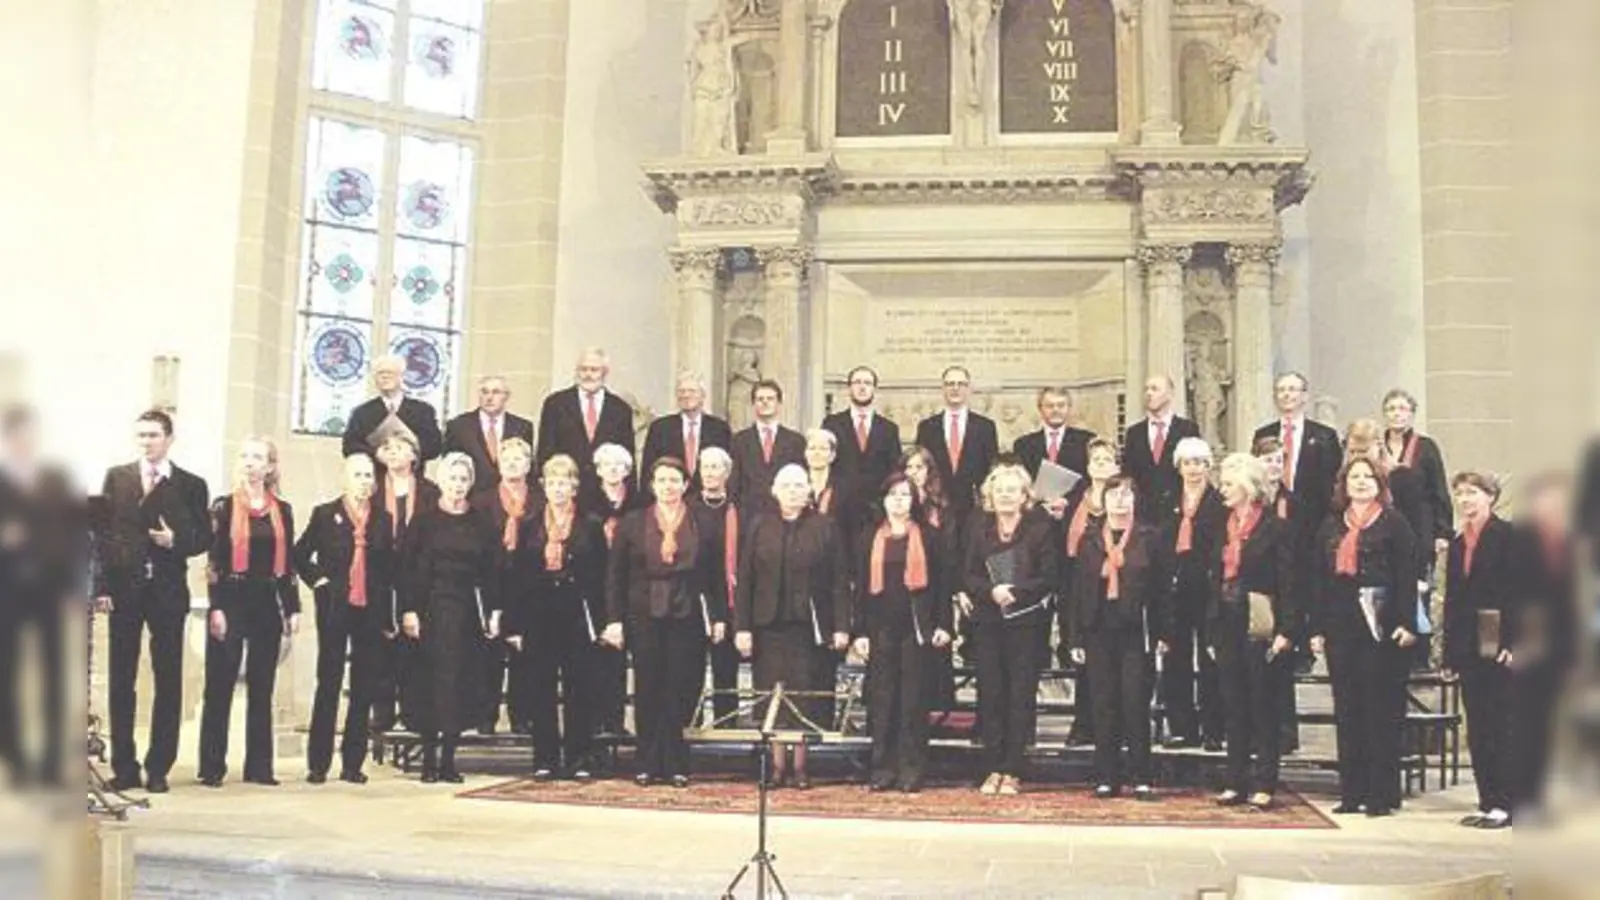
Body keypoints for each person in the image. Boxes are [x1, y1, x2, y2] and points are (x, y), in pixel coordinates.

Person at [95, 410, 211, 794]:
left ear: (169, 438)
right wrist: (102, 587)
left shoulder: (192, 484)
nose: (147, 441)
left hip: (166, 591)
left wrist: (175, 540)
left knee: (168, 678)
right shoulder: (118, 477)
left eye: (154, 435)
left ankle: (159, 764)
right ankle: (124, 766)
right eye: (141, 435)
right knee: (121, 679)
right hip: (125, 591)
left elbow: (202, 539)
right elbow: (103, 536)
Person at [603, 458, 725, 788]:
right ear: (652, 485)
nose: (668, 486)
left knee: (680, 687)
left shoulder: (704, 520)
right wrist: (614, 620)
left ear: (686, 485)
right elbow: (615, 576)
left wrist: (718, 618)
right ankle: (645, 762)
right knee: (648, 688)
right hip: (643, 613)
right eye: (662, 480)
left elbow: (715, 575)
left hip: (687, 612)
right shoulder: (632, 522)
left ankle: (676, 763)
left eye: (675, 480)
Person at [1308, 457, 1418, 817]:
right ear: (1343, 484)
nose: (1360, 482)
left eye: (1367, 477)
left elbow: (1407, 575)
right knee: (1348, 710)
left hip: (1382, 627)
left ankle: (1381, 794)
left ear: (1379, 484)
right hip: (1341, 626)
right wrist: (1317, 628)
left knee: (1379, 709)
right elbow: (1320, 582)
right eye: (1354, 477)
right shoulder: (1329, 526)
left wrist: (1406, 622)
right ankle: (1352, 792)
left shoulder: (1394, 523)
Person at [734, 464, 850, 789]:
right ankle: (775, 765)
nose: (793, 491)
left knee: (801, 697)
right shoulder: (760, 526)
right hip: (767, 626)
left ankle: (800, 766)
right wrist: (741, 627)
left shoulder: (825, 527)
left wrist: (841, 626)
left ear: (809, 491)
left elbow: (839, 581)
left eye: (800, 485)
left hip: (808, 628)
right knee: (772, 695)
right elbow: (746, 580)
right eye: (787, 486)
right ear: (775, 490)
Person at [199, 437, 300, 788]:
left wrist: (293, 607)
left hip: (266, 599)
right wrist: (216, 607)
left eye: (257, 457)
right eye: (244, 456)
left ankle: (259, 767)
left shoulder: (282, 510)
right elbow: (213, 562)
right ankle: (212, 766)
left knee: (262, 686)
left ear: (270, 466)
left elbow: (288, 565)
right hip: (231, 596)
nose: (249, 463)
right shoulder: (223, 507)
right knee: (220, 684)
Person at [399, 452, 502, 783]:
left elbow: (493, 570)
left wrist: (494, 612)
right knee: (431, 683)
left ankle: (449, 760)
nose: (457, 485)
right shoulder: (424, 521)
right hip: (430, 610)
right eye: (452, 479)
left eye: (463, 479)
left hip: (468, 613)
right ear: (440, 481)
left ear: (470, 483)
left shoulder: (482, 522)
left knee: (458, 684)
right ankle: (429, 758)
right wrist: (410, 610)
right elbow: (407, 570)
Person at [1068, 475, 1171, 800]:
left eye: (1127, 495)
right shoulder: (1089, 540)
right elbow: (1075, 591)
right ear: (1104, 500)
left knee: (1135, 703)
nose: (1120, 501)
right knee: (1103, 704)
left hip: (1135, 630)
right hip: (1098, 628)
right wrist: (1074, 638)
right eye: (1114, 495)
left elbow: (1162, 590)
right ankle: (1106, 775)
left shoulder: (1149, 537)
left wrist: (1163, 633)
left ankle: (1141, 775)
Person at [507, 454, 607, 780]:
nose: (558, 488)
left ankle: (579, 758)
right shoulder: (529, 523)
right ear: (544, 487)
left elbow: (601, 575)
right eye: (552, 482)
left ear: (575, 486)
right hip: (539, 609)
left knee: (581, 686)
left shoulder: (590, 524)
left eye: (564, 482)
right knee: (541, 686)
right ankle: (545, 759)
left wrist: (601, 620)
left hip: (577, 610)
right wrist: (516, 624)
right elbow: (519, 576)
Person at [293, 453, 391, 785]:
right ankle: (318, 763)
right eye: (359, 475)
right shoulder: (326, 514)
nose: (365, 481)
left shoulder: (383, 519)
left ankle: (353, 763)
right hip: (336, 607)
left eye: (369, 476)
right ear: (346, 479)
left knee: (364, 685)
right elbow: (299, 554)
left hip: (370, 609)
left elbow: (391, 568)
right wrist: (319, 581)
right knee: (330, 681)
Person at [0, 406, 83, 787]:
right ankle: (17, 761)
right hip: (9, 589)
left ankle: (52, 763)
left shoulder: (55, 479)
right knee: (7, 676)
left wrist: (74, 587)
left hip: (51, 587)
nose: (23, 441)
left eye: (29, 434)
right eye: (17, 434)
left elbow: (75, 534)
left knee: (55, 676)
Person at [854, 473, 952, 793]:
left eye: (905, 495)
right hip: (880, 627)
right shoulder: (869, 536)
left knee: (912, 701)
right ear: (883, 500)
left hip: (917, 628)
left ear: (915, 501)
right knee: (883, 701)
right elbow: (860, 591)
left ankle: (912, 769)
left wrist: (943, 625)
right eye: (893, 495)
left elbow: (942, 586)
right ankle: (883, 769)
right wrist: (860, 632)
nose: (899, 501)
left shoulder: (930, 536)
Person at [1208, 453, 1296, 809]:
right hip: (1227, 617)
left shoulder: (1275, 526)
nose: (1223, 490)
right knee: (1234, 704)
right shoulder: (1221, 524)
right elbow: (1211, 576)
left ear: (1247, 486)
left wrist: (1287, 629)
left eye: (1228, 484)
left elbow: (1289, 581)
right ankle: (1235, 780)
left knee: (1263, 704)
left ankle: (1265, 781)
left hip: (1261, 617)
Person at [963, 462, 1057, 796]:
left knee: (1020, 696)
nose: (1005, 495)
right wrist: (991, 592)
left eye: (1011, 490)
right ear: (990, 495)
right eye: (999, 490)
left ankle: (1014, 770)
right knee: (991, 695)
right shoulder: (978, 529)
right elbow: (969, 574)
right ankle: (992, 767)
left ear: (1023, 496)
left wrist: (1015, 592)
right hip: (988, 622)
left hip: (1026, 623)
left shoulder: (1039, 529)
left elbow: (1049, 576)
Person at [1440, 471, 1515, 829]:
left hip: (1503, 644)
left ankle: (1508, 801)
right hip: (1472, 645)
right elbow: (1454, 602)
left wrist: (1516, 641)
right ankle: (1489, 801)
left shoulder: (1509, 537)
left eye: (1473, 493)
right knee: (1479, 726)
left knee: (1503, 723)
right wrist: (1450, 654)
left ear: (1491, 497)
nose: (1465, 499)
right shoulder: (1457, 543)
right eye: (1460, 493)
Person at [1509, 472, 1578, 823]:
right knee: (1523, 726)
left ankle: (1540, 798)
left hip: (1558, 651)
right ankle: (1521, 798)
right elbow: (1511, 597)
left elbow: (1571, 603)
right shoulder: (1519, 541)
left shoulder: (1568, 542)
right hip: (1524, 649)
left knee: (1549, 729)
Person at [369, 433, 440, 733]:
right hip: (381, 575)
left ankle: (413, 712)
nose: (393, 453)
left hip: (418, 574)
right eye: (388, 449)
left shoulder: (430, 491)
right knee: (382, 646)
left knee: (415, 646)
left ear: (415, 455)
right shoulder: (371, 489)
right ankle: (382, 713)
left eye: (401, 448)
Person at [469, 438, 537, 735]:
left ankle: (521, 715)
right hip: (491, 580)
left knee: (524, 650)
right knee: (489, 651)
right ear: (498, 463)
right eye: (507, 459)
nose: (513, 464)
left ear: (528, 465)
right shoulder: (482, 500)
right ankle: (486, 715)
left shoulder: (540, 498)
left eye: (519, 459)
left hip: (527, 583)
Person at [1163, 437, 1228, 750]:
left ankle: (1214, 728)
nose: (1193, 469)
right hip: (1175, 589)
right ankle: (1181, 727)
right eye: (1187, 463)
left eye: (1199, 462)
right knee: (1176, 659)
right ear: (1179, 467)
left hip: (1207, 588)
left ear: (1208, 466)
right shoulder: (1167, 500)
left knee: (1209, 658)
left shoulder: (1219, 503)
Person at [1380, 389, 1453, 665]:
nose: (1397, 414)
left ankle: (1418, 654)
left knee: (1418, 586)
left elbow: (1439, 491)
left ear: (1412, 414)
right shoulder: (1378, 445)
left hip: (1419, 526)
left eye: (1402, 409)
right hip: (1385, 525)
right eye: (1391, 409)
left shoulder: (1426, 446)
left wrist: (1442, 531)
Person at [1060, 437, 1121, 745]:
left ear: (1116, 466)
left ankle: (1110, 726)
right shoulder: (1074, 498)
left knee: (1108, 658)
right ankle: (1083, 721)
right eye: (1095, 459)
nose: (1100, 464)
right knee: (1081, 653)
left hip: (1112, 584)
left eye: (1106, 459)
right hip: (1076, 582)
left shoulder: (1123, 498)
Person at [584, 441, 643, 735]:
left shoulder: (639, 502)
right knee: (598, 657)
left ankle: (615, 721)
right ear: (598, 470)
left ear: (628, 470)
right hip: (594, 583)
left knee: (621, 657)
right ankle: (595, 723)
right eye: (607, 465)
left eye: (619, 466)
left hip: (629, 584)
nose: (613, 471)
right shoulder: (586, 502)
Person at [899, 446, 959, 712]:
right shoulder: (896, 502)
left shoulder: (941, 507)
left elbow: (950, 550)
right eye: (908, 467)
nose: (914, 473)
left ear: (929, 471)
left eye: (919, 467)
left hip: (935, 589)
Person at [536, 347, 636, 497]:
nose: (588, 375)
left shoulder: (620, 409)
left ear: (605, 372)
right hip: (566, 492)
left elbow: (627, 457)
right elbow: (545, 451)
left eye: (594, 370)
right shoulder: (555, 404)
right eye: (583, 369)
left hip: (605, 495)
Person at [691, 446, 743, 727]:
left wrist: (723, 614)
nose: (710, 473)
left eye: (715, 467)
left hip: (732, 600)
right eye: (705, 467)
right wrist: (712, 613)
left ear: (727, 472)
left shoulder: (739, 510)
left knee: (726, 673)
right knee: (691, 672)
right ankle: (690, 731)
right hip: (695, 601)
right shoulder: (688, 509)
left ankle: (727, 731)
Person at [822, 365, 903, 541]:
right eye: (857, 382)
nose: (862, 386)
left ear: (874, 388)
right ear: (849, 388)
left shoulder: (889, 429)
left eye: (867, 382)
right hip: (840, 509)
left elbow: (895, 470)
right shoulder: (832, 424)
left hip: (876, 510)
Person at [915, 366, 999, 521]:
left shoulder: (985, 427)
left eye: (961, 384)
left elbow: (992, 469)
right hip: (936, 508)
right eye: (950, 384)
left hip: (974, 509)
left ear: (969, 389)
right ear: (943, 388)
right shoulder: (927, 427)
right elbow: (920, 467)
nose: (955, 388)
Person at [341, 353, 443, 476]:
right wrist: (376, 453)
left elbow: (435, 446)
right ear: (374, 379)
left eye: (390, 373)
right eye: (380, 373)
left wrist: (410, 453)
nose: (385, 377)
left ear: (401, 376)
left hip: (413, 481)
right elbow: (349, 446)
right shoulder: (362, 412)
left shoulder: (423, 411)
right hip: (375, 481)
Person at [1122, 375, 1201, 526]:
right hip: (1142, 518)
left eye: (1155, 389)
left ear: (1170, 394)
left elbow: (1195, 472)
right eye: (1146, 389)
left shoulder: (1187, 429)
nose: (1148, 393)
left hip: (1178, 515)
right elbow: (1128, 473)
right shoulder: (1134, 433)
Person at [640, 372, 732, 498]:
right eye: (681, 391)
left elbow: (728, 470)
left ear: (703, 395)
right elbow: (648, 472)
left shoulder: (719, 429)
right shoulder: (660, 428)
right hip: (669, 501)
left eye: (692, 391)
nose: (686, 395)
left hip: (708, 503)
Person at [443, 375, 535, 495]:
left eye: (496, 392)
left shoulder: (522, 427)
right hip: (471, 499)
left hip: (509, 498)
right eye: (484, 392)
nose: (489, 397)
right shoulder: (459, 427)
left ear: (506, 396)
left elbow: (529, 469)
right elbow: (449, 465)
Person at [729, 379, 806, 516]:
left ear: (779, 404)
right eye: (760, 399)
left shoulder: (795, 441)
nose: (765, 402)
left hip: (784, 515)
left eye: (770, 398)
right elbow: (734, 483)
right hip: (748, 516)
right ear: (753, 404)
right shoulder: (739, 440)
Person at [1013, 386, 1094, 484]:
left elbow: (1090, 478)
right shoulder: (1023, 444)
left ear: (1069, 408)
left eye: (1061, 405)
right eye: (1050, 406)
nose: (1056, 410)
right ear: (1040, 409)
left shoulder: (1086, 440)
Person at [803, 428, 841, 517]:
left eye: (823, 449)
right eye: (812, 448)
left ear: (832, 455)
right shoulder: (797, 484)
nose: (817, 453)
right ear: (805, 453)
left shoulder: (842, 487)